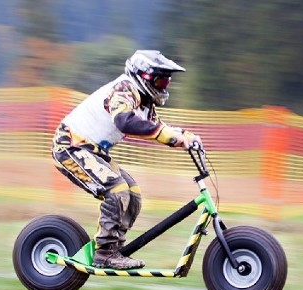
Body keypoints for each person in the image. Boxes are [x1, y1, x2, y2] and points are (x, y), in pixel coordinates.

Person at [51, 50, 201, 270]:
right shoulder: (124, 89)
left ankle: (115, 249)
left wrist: (186, 135)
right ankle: (104, 253)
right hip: (71, 146)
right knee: (117, 190)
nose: (163, 86)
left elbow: (157, 126)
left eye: (166, 82)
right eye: (160, 80)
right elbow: (124, 120)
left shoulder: (144, 101)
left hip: (93, 151)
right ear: (143, 75)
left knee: (133, 194)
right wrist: (168, 136)